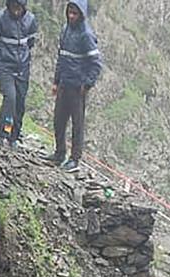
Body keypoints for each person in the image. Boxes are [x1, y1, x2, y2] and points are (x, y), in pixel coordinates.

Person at [47, 0, 101, 173]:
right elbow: (61, 59)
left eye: (75, 13)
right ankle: (59, 153)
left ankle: (74, 159)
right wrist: (56, 82)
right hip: (64, 84)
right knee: (58, 121)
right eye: (69, 12)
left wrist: (87, 84)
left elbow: (96, 64)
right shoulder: (65, 30)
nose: (71, 16)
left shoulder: (86, 35)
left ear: (81, 14)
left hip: (78, 88)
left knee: (77, 125)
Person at [0, 0, 36, 149]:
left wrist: (25, 60)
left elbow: (30, 43)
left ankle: (14, 136)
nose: (15, 10)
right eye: (13, 7)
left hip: (23, 67)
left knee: (20, 102)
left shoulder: (31, 20)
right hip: (5, 66)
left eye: (18, 7)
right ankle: (2, 134)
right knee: (10, 98)